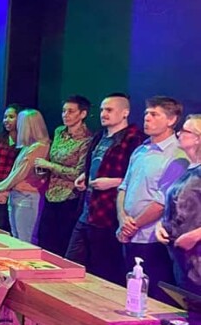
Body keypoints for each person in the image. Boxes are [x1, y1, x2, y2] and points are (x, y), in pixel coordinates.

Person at [65, 93, 146, 285]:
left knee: (104, 269)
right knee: (71, 262)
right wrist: (85, 176)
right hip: (88, 210)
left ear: (125, 113)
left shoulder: (133, 139)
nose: (103, 114)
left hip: (108, 214)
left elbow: (137, 177)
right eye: (102, 110)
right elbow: (95, 165)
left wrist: (113, 182)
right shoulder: (99, 136)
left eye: (109, 110)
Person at [116, 96, 188, 303]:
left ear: (172, 120)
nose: (147, 118)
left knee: (154, 297)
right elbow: (124, 187)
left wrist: (133, 225)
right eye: (147, 113)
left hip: (151, 239)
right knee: (131, 293)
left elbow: (162, 202)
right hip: (128, 234)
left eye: (154, 114)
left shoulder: (177, 155)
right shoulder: (141, 149)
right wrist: (122, 219)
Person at [35, 95, 93, 257]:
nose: (65, 115)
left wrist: (50, 166)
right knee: (44, 240)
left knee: (61, 243)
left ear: (83, 114)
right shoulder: (59, 131)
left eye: (71, 111)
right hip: (50, 193)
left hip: (69, 197)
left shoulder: (87, 140)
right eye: (64, 111)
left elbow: (78, 173)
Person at [156, 114, 201, 296]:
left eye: (184, 131)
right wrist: (161, 225)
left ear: (198, 138)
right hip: (182, 258)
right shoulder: (189, 168)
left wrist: (195, 236)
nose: (178, 134)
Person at [0, 109, 50, 243]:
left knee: (25, 240)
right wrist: (5, 189)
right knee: (16, 238)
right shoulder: (28, 147)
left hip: (27, 196)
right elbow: (16, 171)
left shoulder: (40, 147)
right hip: (17, 194)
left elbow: (20, 173)